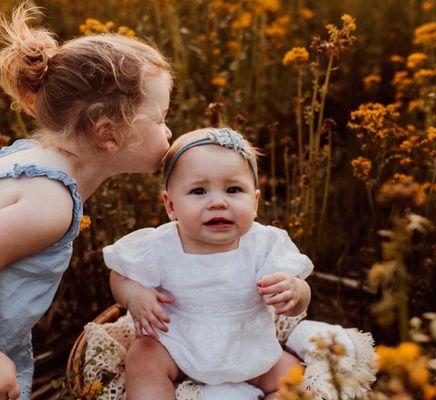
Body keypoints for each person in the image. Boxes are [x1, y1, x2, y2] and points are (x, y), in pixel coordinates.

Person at [0, 3, 173, 399]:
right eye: (160, 118)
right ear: (109, 134)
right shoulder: (50, 204)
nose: (169, 129)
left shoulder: (31, 158)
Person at [104, 127, 314, 400]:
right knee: (143, 358)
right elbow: (119, 274)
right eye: (199, 190)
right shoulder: (158, 246)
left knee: (293, 374)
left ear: (255, 202)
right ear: (171, 206)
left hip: (249, 347)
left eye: (234, 189)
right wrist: (134, 295)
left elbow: (300, 299)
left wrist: (296, 291)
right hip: (177, 347)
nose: (218, 202)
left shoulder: (265, 244)